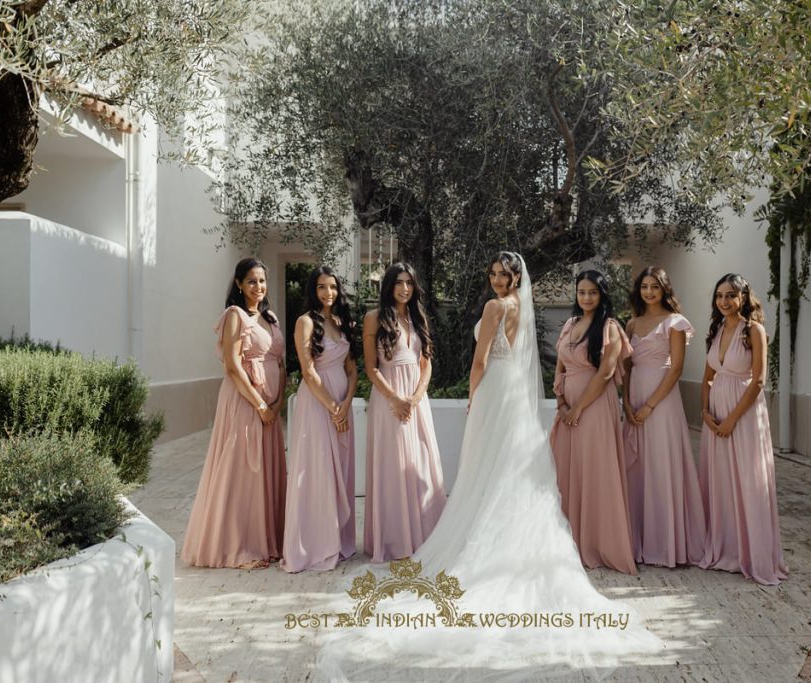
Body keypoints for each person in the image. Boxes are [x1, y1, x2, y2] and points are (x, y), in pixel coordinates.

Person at [315, 252, 662, 680]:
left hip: (495, 392)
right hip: (515, 395)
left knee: (487, 470)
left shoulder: (496, 306)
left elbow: (479, 361)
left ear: (516, 277)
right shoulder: (521, 307)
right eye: (494, 273)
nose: (497, 280)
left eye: (505, 274)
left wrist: (474, 396)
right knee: (509, 471)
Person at [181, 257, 286, 569]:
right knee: (242, 471)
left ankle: (267, 542)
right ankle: (237, 548)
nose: (258, 287)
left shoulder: (270, 317)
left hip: (270, 407)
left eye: (262, 281)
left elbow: (280, 362)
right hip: (245, 403)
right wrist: (261, 404)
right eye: (252, 281)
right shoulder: (235, 316)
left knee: (263, 473)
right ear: (239, 284)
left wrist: (277, 402)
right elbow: (232, 365)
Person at [698, 273, 788, 585]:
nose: (724, 301)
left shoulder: (755, 330)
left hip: (745, 415)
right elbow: (708, 376)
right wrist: (705, 413)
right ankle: (727, 550)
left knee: (749, 480)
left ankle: (754, 555)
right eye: (719, 295)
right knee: (722, 481)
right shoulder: (717, 329)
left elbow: (760, 380)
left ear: (743, 298)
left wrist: (732, 419)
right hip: (716, 415)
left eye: (730, 295)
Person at [549, 270, 636, 575]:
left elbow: (605, 374)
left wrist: (579, 409)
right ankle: (569, 540)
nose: (586, 298)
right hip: (568, 409)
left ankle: (599, 543)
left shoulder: (610, 327)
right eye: (582, 292)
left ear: (602, 295)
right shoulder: (570, 325)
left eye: (592, 293)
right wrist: (561, 403)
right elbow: (559, 367)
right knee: (567, 470)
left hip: (596, 408)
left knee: (596, 471)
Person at [622, 266, 707, 567]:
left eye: (654, 287)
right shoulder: (631, 324)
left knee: (662, 465)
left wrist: (649, 406)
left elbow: (677, 369)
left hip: (662, 402)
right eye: (644, 286)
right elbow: (626, 367)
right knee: (638, 468)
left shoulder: (675, 322)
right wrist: (627, 404)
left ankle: (668, 545)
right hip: (634, 398)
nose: (648, 292)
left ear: (664, 289)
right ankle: (639, 541)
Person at [362, 262, 446, 562]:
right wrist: (396, 399)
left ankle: (424, 536)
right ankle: (395, 539)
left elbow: (426, 363)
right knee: (394, 466)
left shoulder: (417, 317)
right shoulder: (373, 319)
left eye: (410, 282)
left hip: (416, 399)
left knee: (421, 463)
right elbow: (371, 368)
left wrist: (415, 397)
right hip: (388, 399)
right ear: (388, 285)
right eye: (399, 282)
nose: (405, 288)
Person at [281, 266, 358, 572]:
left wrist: (346, 402)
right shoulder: (304, 322)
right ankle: (313, 545)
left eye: (333, 287)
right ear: (313, 290)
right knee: (315, 470)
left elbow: (352, 369)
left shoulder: (341, 322)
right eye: (322, 287)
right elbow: (308, 371)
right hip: (317, 404)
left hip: (342, 401)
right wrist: (331, 407)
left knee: (340, 467)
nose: (329, 293)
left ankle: (338, 540)